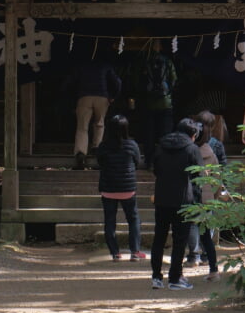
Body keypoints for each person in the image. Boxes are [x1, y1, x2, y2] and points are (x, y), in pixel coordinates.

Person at [149, 117, 200, 290]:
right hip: (183, 199)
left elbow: (155, 169)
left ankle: (156, 276)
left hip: (162, 198)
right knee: (180, 241)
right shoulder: (192, 149)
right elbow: (198, 177)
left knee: (159, 238)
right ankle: (175, 278)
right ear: (193, 134)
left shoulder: (160, 147)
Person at [96, 115, 147, 262]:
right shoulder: (132, 145)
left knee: (110, 221)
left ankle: (115, 253)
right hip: (127, 189)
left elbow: (100, 162)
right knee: (133, 219)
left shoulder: (103, 146)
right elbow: (137, 162)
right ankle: (135, 251)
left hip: (108, 188)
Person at [185, 110, 227, 268]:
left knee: (193, 223)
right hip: (210, 189)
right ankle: (205, 254)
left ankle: (193, 254)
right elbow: (221, 167)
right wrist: (221, 189)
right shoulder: (216, 145)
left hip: (192, 190)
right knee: (208, 222)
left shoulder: (190, 145)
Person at [71, 53, 121, 169]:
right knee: (99, 124)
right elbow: (118, 82)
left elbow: (72, 81)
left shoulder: (81, 65)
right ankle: (97, 148)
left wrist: (75, 97)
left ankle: (80, 153)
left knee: (82, 127)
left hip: (84, 97)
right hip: (102, 97)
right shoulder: (105, 65)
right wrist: (113, 96)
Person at [132, 40, 177, 169]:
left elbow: (136, 80)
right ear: (161, 47)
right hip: (165, 103)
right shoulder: (167, 61)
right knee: (165, 133)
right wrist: (168, 93)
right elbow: (174, 79)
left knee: (149, 133)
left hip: (148, 103)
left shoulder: (144, 61)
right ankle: (165, 160)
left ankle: (149, 161)